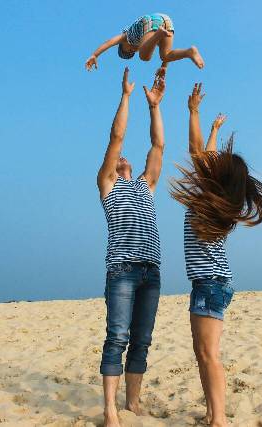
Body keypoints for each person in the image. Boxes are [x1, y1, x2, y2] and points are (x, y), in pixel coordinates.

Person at [170, 83, 262, 427]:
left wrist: (194, 113)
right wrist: (214, 130)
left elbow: (195, 152)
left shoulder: (209, 198)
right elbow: (205, 159)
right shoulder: (220, 200)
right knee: (203, 355)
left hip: (209, 284)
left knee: (208, 355)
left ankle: (219, 420)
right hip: (214, 283)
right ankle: (211, 413)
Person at [97, 67, 167, 427]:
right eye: (120, 158)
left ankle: (133, 404)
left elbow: (158, 146)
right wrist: (125, 96)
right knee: (118, 337)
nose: (124, 157)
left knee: (142, 340)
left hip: (150, 271)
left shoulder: (145, 185)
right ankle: (111, 410)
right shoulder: (108, 185)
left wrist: (154, 106)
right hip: (122, 271)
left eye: (127, 158)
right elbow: (116, 137)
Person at [85, 13, 204, 73]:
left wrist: (95, 55)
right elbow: (166, 57)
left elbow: (109, 42)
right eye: (132, 53)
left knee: (144, 57)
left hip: (150, 21)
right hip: (166, 20)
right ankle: (189, 52)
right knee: (165, 55)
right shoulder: (146, 42)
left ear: (122, 45)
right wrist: (164, 68)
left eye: (128, 50)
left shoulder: (125, 37)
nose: (132, 50)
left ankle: (159, 33)